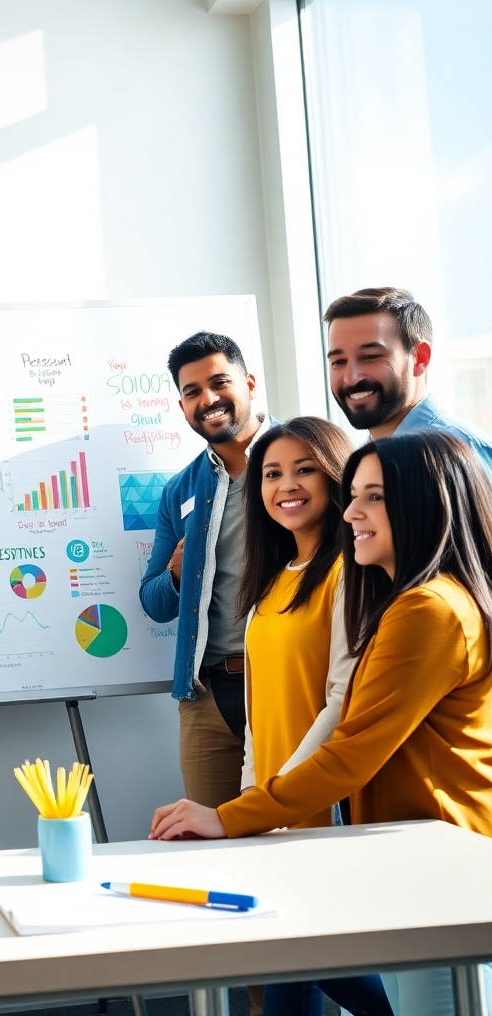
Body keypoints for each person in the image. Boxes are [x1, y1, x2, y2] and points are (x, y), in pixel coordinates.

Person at [149, 432, 492, 1014]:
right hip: (413, 861)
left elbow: (349, 747)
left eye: (374, 497)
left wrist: (232, 817)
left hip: (435, 870)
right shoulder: (415, 598)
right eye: (354, 494)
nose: (351, 511)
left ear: (426, 502)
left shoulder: (426, 609)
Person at [237, 417, 390, 1016]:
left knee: (302, 956)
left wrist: (285, 799)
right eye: (271, 474)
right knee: (293, 966)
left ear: (335, 476)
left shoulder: (348, 571)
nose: (286, 485)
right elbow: (257, 713)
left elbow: (340, 698)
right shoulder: (272, 580)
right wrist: (254, 796)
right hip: (273, 805)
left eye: (304, 469)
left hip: (315, 805)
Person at [140, 332, 270, 808]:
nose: (208, 400)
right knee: (208, 844)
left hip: (283, 681)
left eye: (219, 383)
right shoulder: (181, 490)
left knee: (298, 837)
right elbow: (152, 601)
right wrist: (176, 572)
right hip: (206, 696)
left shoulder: (303, 459)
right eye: (192, 392)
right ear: (182, 406)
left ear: (250, 382)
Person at [325, 286, 492, 468]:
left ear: (420, 358)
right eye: (338, 361)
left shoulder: (462, 454)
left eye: (370, 356)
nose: (351, 378)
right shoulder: (362, 464)